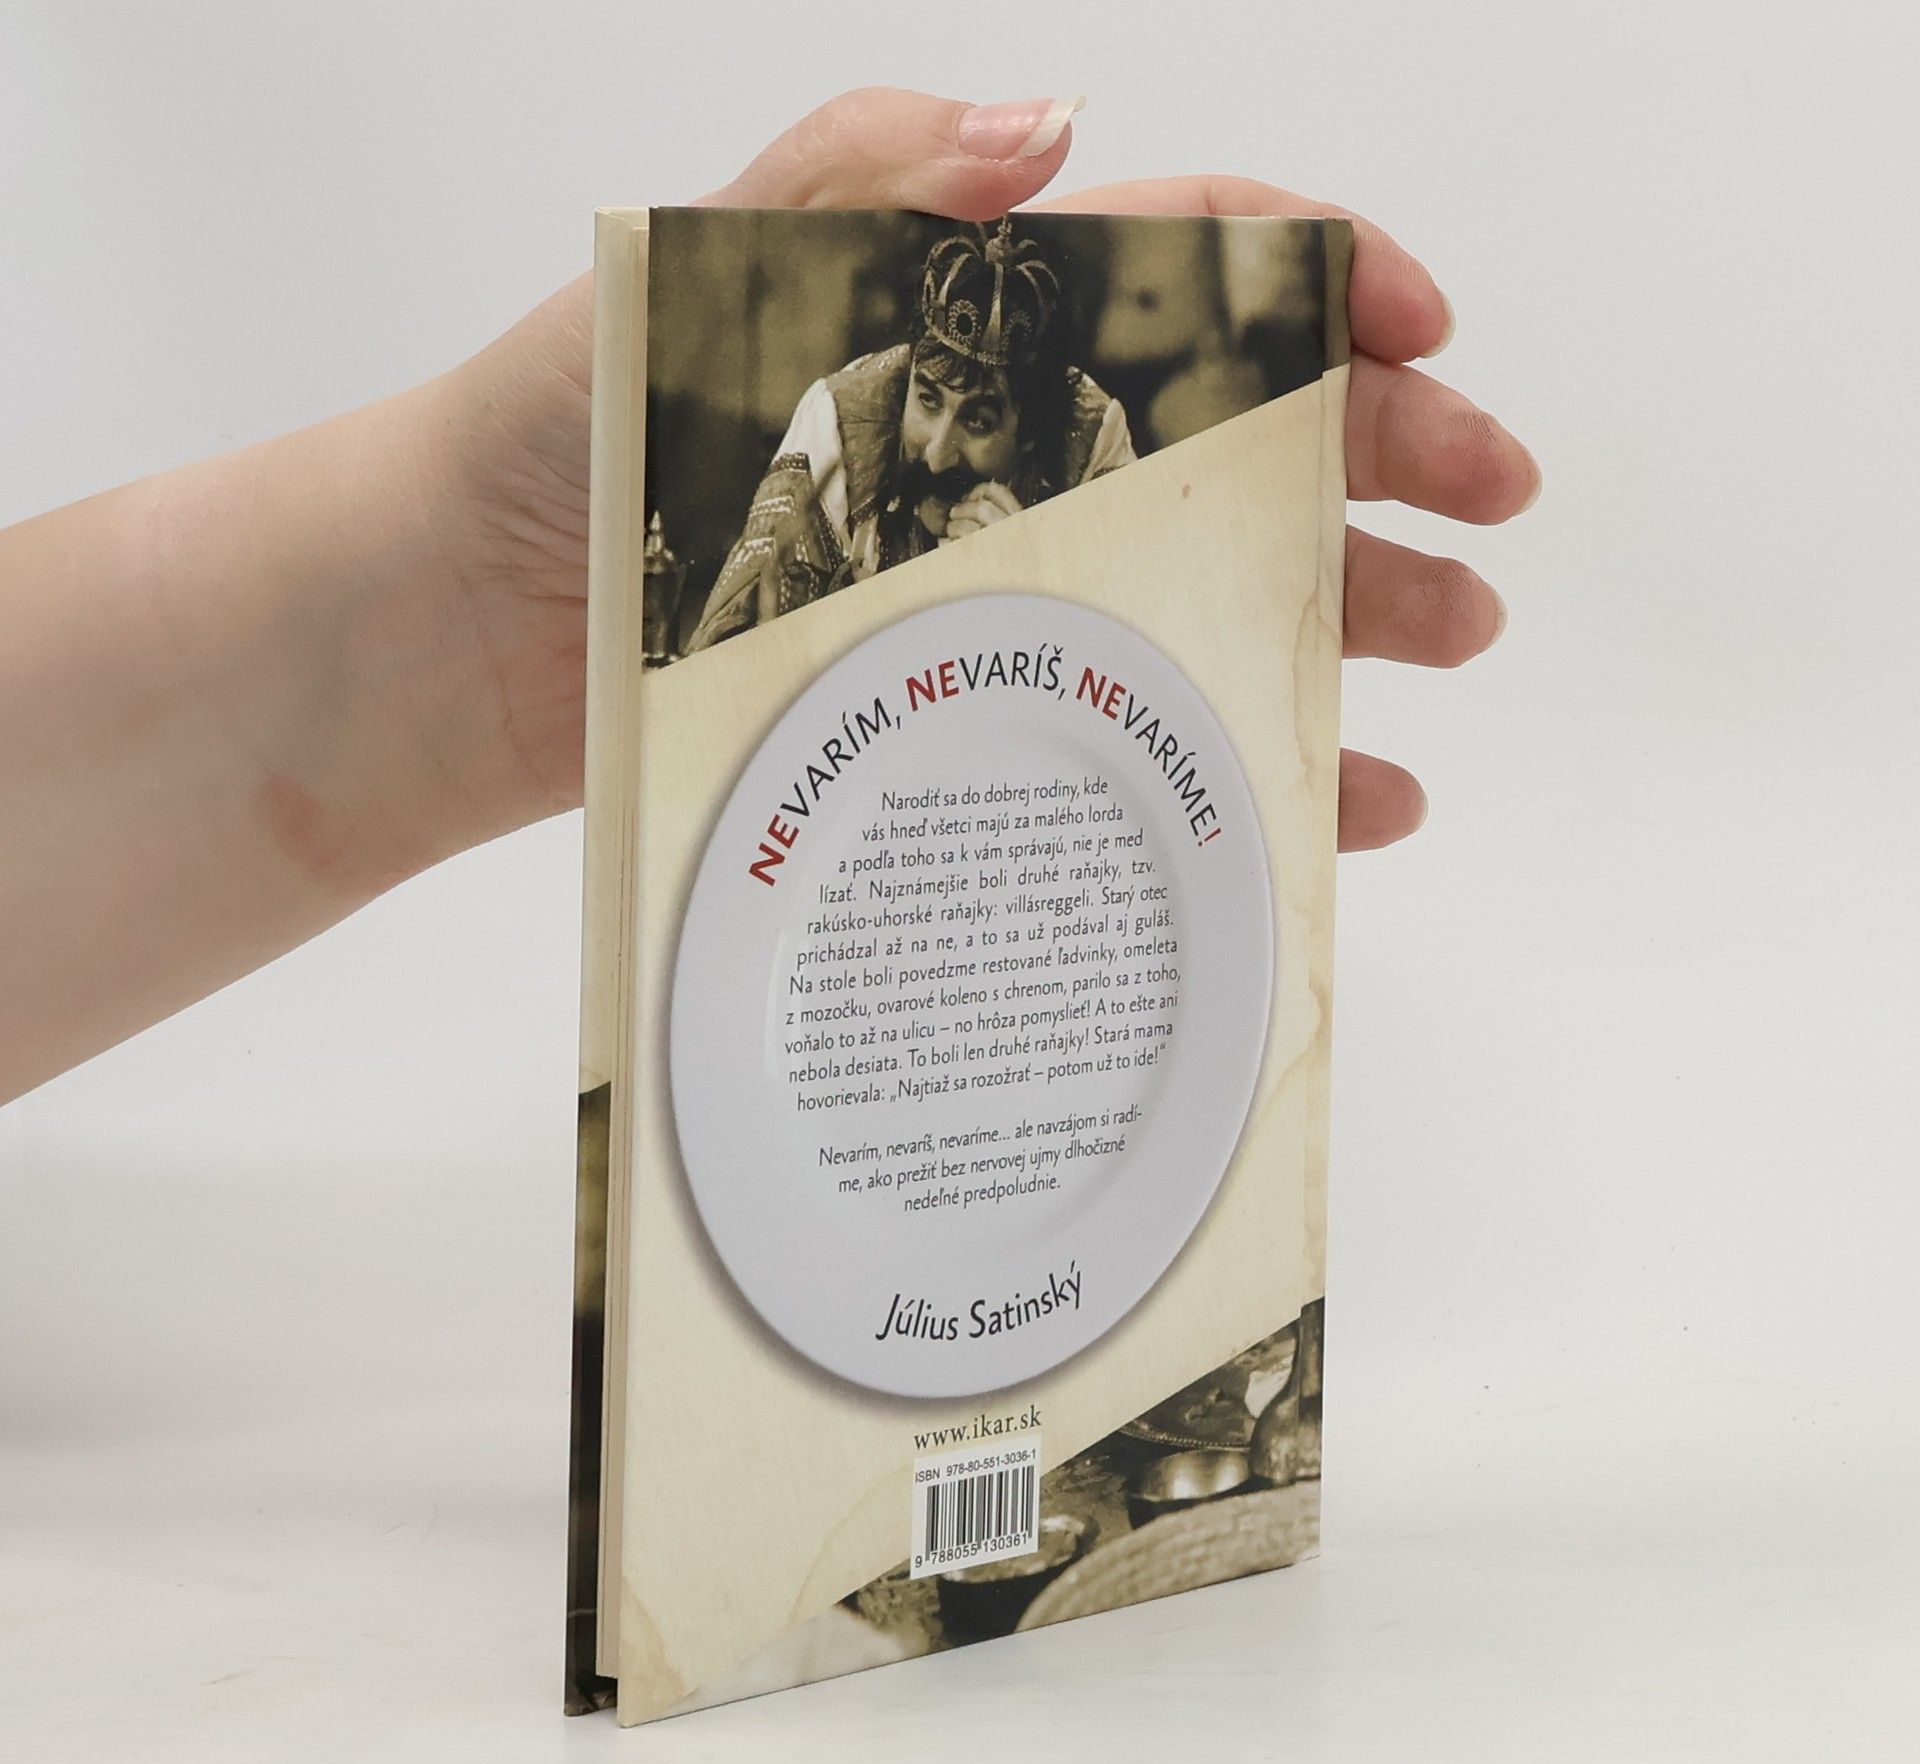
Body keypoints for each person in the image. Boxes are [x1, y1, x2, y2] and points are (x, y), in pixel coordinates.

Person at [0, 90, 1539, 1108]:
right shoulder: (847, 417)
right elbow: (733, 629)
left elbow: (1160, 682)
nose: (943, 440)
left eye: (981, 413)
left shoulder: (1092, 441)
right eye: (935, 393)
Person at [687, 216, 1135, 652]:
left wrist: (1025, 590)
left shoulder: (1092, 438)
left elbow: (1130, 662)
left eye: (978, 422)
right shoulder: (841, 422)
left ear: (1031, 431)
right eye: (928, 401)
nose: (937, 457)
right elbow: (732, 663)